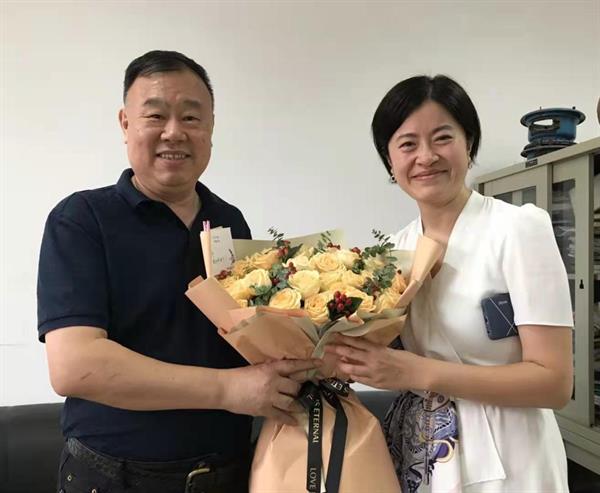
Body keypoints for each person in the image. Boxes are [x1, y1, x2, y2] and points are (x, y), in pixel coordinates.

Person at [37, 50, 318, 493]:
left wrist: (317, 348)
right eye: (155, 115)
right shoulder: (82, 219)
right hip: (116, 479)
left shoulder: (229, 222)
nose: (174, 132)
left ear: (211, 128)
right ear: (125, 124)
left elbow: (245, 339)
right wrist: (228, 389)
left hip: (230, 472)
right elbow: (75, 366)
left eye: (191, 117)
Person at [326, 75, 573, 492]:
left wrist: (415, 372)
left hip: (511, 455)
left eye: (442, 138)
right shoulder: (395, 252)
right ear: (389, 160)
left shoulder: (517, 229)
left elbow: (554, 383)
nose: (426, 157)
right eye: (407, 144)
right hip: (422, 454)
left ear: (468, 144)